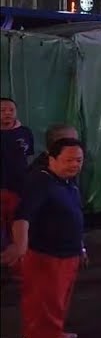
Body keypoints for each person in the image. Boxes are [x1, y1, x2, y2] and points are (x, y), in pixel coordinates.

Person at [0, 138, 87, 338]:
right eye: (68, 160)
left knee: (57, 312)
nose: (74, 165)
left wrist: (80, 247)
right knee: (47, 314)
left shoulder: (67, 182)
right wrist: (20, 246)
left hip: (67, 257)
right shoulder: (40, 182)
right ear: (51, 158)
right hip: (48, 259)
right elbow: (22, 217)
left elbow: (74, 216)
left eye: (78, 160)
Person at [0, 97, 35, 250]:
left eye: (11, 110)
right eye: (2, 110)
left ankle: (17, 260)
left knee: (17, 223)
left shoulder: (25, 132)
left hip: (19, 188)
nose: (7, 113)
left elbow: (28, 157)